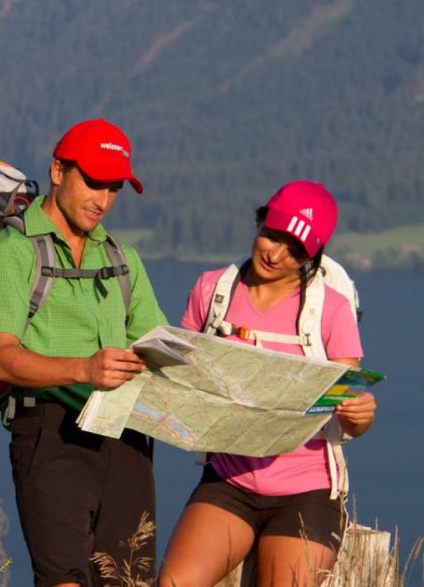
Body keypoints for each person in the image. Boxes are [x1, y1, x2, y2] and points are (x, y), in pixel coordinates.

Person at [0, 118, 169, 587]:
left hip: (126, 434)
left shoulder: (121, 258)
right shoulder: (12, 252)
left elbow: (154, 344)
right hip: (50, 429)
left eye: (113, 188)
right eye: (93, 182)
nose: (103, 200)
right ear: (58, 171)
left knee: (127, 580)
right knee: (65, 580)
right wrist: (84, 369)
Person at [159, 180, 378, 587]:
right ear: (259, 222)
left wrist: (361, 414)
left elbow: (350, 421)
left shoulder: (330, 309)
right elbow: (181, 376)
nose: (276, 255)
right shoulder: (213, 290)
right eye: (272, 236)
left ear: (311, 256)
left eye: (294, 250)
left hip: (308, 491)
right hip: (229, 481)